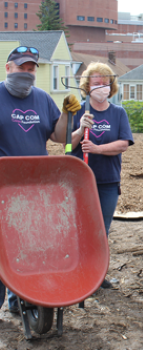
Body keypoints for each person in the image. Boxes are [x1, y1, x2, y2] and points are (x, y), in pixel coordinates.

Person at [0, 46, 81, 313]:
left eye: (31, 68)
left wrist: (68, 114)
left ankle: (22, 299)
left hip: (37, 184)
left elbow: (59, 137)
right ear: (8, 68)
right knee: (3, 243)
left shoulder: (42, 98)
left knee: (30, 242)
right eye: (21, 67)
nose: (27, 72)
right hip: (4, 183)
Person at [71, 62, 134, 289]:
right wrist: (79, 129)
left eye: (105, 83)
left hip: (107, 181)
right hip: (80, 181)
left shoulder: (118, 112)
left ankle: (97, 276)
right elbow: (67, 146)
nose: (101, 87)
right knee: (81, 228)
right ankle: (79, 274)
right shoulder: (77, 110)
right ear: (87, 86)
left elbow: (124, 144)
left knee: (101, 231)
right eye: (96, 83)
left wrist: (97, 148)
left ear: (111, 86)